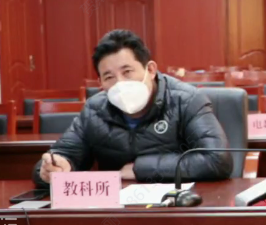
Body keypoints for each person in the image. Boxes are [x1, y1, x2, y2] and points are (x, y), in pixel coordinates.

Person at [33, 30, 233, 187]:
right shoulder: (94, 110)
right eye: (109, 77)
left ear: (150, 70)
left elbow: (217, 160)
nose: (120, 83)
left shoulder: (186, 100)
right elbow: (62, 154)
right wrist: (54, 168)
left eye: (127, 72)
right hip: (117, 209)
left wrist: (141, 168)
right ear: (100, 83)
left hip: (177, 206)